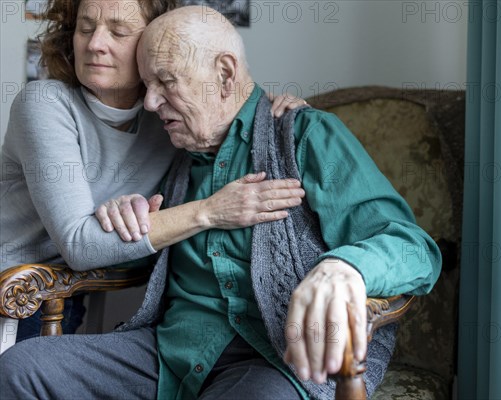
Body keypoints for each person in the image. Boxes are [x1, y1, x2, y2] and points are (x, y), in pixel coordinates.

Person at [0, 5, 442, 400]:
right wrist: (121, 214)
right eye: (148, 85)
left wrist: (346, 266)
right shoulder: (174, 141)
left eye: (166, 83)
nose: (152, 103)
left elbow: (413, 246)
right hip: (170, 352)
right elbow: (95, 222)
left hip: (276, 357)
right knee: (22, 369)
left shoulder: (303, 135)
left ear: (226, 75)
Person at [0, 0, 306, 343]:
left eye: (118, 31)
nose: (95, 43)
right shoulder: (43, 103)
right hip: (11, 299)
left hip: (73, 299)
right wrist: (211, 211)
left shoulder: (169, 121)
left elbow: (231, 110)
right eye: (85, 28)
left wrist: (278, 112)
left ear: (157, 41)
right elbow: (80, 245)